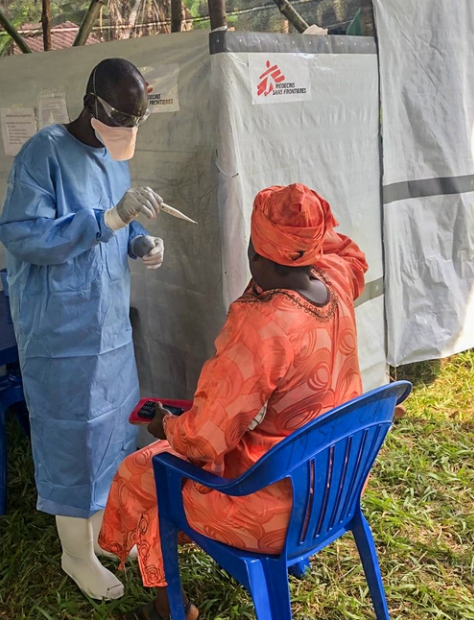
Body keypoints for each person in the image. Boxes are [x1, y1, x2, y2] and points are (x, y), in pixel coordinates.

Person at [99, 184, 369, 620]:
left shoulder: (263, 327)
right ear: (311, 250)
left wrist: (166, 424)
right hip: (336, 480)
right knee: (172, 460)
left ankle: (169, 609)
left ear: (257, 255)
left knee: (145, 473)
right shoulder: (335, 278)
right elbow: (348, 251)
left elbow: (205, 441)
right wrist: (307, 232)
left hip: (279, 505)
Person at [0, 58, 166, 602]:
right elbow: (23, 234)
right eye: (122, 117)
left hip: (108, 326)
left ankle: (109, 534)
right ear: (93, 103)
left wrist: (138, 239)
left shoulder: (115, 154)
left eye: (137, 119)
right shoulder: (43, 152)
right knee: (73, 438)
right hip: (60, 330)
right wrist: (107, 222)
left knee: (115, 429)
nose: (128, 131)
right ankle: (77, 554)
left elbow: (119, 216)